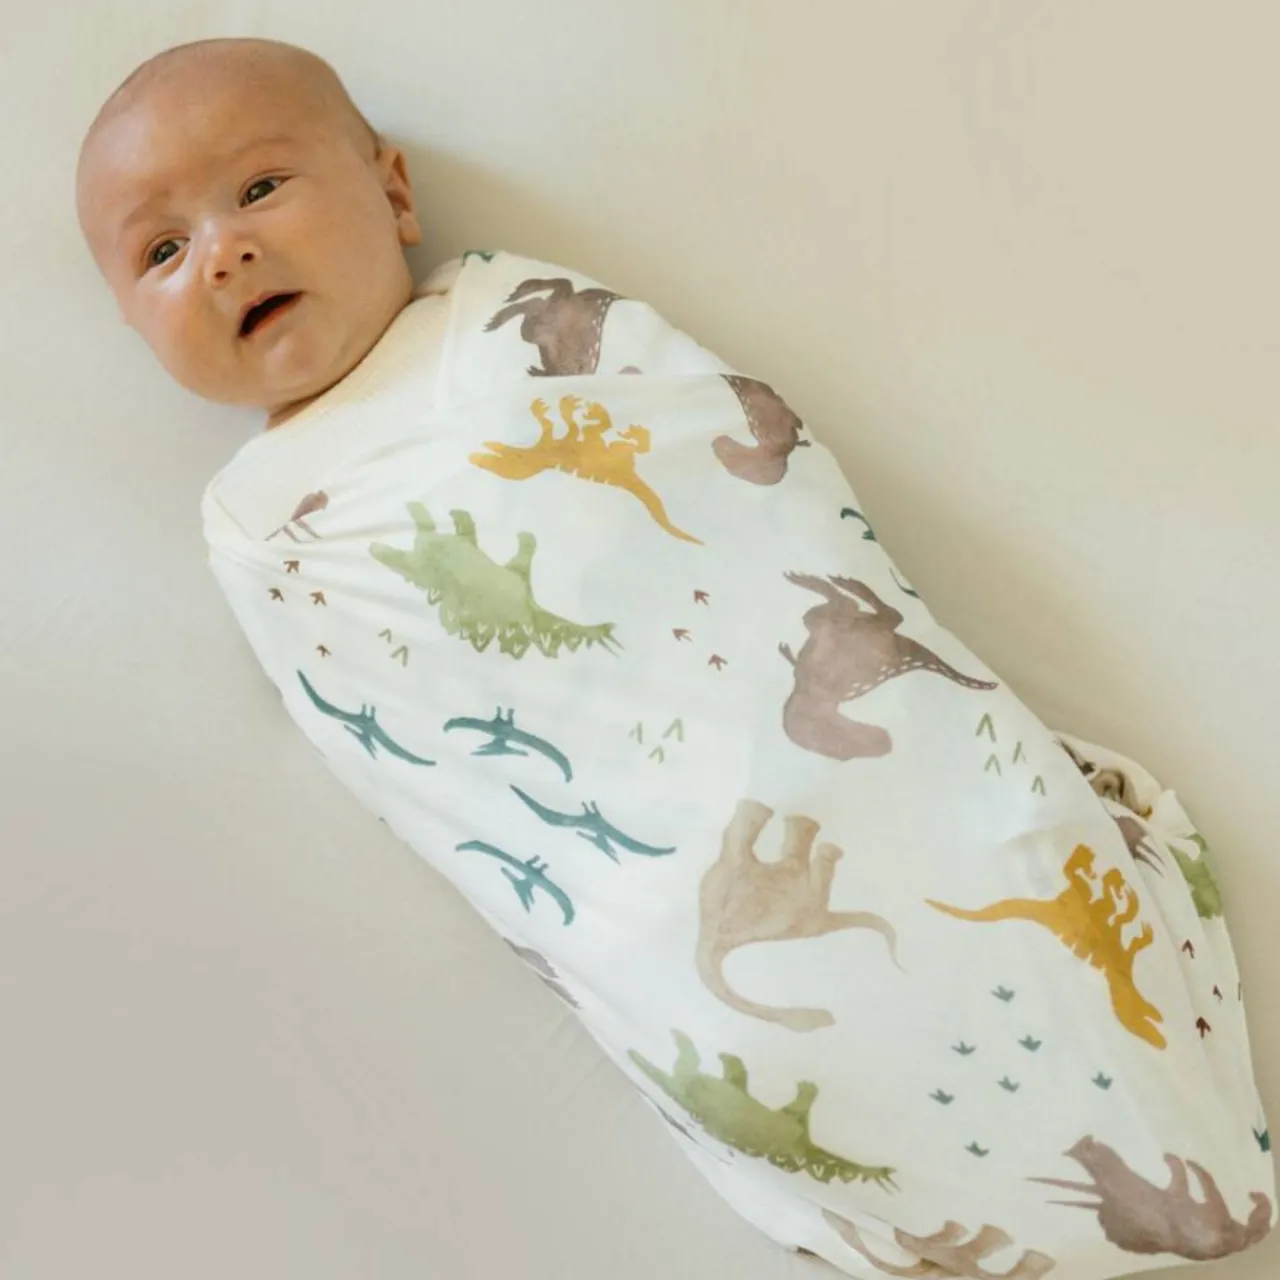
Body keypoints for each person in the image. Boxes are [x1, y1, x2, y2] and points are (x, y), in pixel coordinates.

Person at [76, 37, 1275, 1278]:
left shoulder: (511, 324)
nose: (220, 251)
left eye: (259, 188)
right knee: (748, 1037)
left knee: (990, 874)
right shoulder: (256, 524)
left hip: (824, 765)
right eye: (159, 251)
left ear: (392, 191)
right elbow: (403, 743)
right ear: (132, 324)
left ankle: (1130, 1093)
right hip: (642, 895)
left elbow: (733, 467)